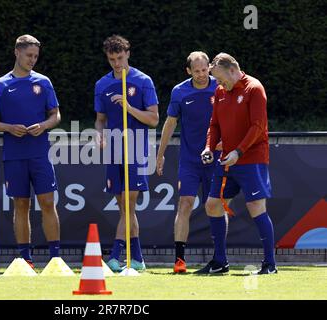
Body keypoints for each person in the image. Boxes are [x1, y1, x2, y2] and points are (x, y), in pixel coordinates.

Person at [0, 35, 61, 268]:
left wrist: (44, 125)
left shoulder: (44, 82)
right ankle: (25, 258)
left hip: (40, 152)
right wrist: (8, 127)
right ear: (17, 52)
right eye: (29, 55)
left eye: (36, 56)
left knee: (48, 202)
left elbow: (56, 115)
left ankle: (55, 258)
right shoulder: (0, 84)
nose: (33, 60)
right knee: (21, 205)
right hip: (14, 154)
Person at [198, 53, 277, 274]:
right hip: (227, 161)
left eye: (221, 79)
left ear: (233, 70)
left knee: (255, 207)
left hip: (251, 159)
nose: (220, 84)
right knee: (212, 205)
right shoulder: (221, 91)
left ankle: (270, 264)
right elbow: (214, 125)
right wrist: (208, 147)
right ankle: (220, 262)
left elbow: (258, 126)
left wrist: (239, 152)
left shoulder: (254, 88)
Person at [94, 35, 159, 272]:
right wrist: (98, 134)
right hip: (113, 151)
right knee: (124, 208)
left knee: (129, 205)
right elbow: (100, 120)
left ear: (128, 54)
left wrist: (129, 107)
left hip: (136, 150)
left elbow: (153, 119)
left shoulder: (143, 81)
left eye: (120, 58)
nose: (116, 63)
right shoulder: (101, 85)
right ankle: (138, 259)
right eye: (112, 59)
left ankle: (116, 254)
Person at [156, 51, 220, 274]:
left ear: (210, 68)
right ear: (188, 71)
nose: (202, 75)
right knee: (184, 204)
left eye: (205, 70)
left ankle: (219, 257)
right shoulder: (180, 91)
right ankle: (180, 260)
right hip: (190, 160)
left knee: (215, 206)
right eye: (197, 71)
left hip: (217, 158)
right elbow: (170, 123)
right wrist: (160, 154)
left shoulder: (221, 87)